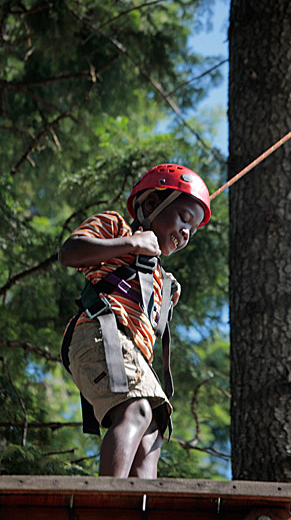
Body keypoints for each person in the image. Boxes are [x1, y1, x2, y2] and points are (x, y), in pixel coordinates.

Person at [59, 163, 211, 478]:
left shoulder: (162, 278)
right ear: (152, 205)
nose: (185, 233)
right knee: (136, 410)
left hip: (131, 352)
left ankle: (137, 504)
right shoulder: (117, 227)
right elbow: (70, 252)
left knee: (151, 434)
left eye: (192, 230)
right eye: (184, 218)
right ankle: (109, 503)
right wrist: (131, 244)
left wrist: (165, 292)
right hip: (101, 334)